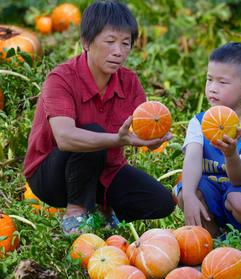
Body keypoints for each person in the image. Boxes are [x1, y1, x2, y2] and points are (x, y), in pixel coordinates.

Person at [23, 0, 175, 235]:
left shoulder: (129, 82)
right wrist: (118, 139)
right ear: (86, 42)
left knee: (162, 201)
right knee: (94, 132)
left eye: (126, 44)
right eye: (110, 42)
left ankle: (104, 210)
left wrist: (152, 137)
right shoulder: (61, 78)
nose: (118, 51)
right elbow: (65, 138)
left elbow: (141, 128)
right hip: (51, 177)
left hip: (105, 171)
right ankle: (76, 213)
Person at [173, 42, 241, 250]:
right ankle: (215, 236)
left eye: (222, 82)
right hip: (213, 192)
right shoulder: (199, 122)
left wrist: (231, 154)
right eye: (209, 79)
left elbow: (239, 179)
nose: (212, 88)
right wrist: (188, 195)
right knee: (184, 190)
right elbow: (193, 159)